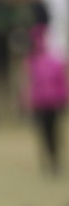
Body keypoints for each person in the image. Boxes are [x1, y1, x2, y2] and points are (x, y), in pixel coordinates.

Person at [25, 25, 68, 174]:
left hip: (53, 104)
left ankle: (55, 161)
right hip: (40, 104)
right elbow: (31, 83)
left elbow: (61, 82)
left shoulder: (55, 61)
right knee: (43, 134)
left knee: (54, 134)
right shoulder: (32, 62)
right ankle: (47, 161)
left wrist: (62, 99)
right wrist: (28, 100)